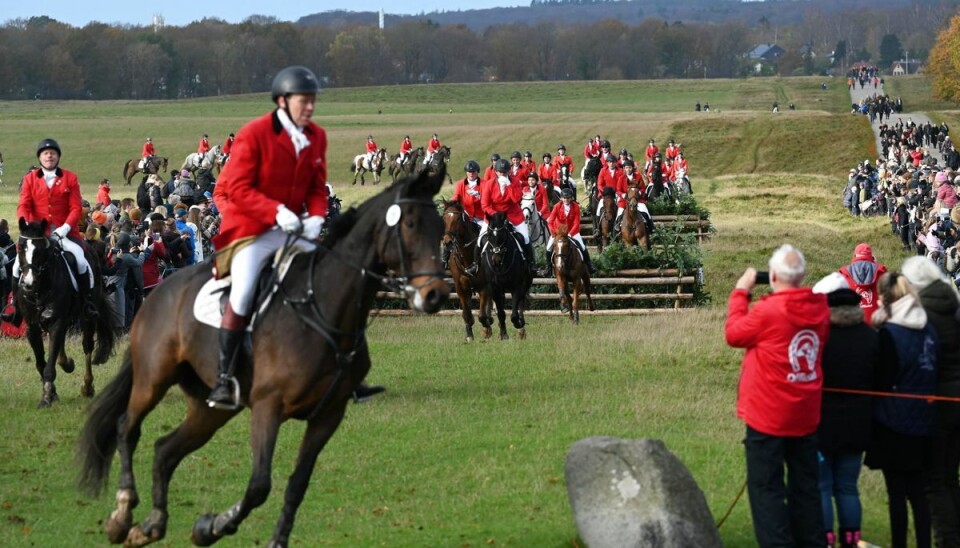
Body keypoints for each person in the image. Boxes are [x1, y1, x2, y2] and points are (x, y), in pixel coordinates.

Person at [208, 65, 329, 410]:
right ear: (282, 100)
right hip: (254, 230)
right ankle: (223, 378)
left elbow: (317, 188)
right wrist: (276, 212)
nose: (309, 108)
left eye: (312, 101)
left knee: (331, 277)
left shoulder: (316, 135)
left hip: (294, 229)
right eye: (303, 101)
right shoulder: (254, 134)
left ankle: (341, 367)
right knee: (244, 291)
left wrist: (317, 218)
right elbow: (238, 189)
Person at [724, 244, 830, 548]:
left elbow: (733, 334)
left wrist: (740, 292)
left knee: (767, 489)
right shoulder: (819, 308)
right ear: (802, 276)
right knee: (806, 489)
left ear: (772, 275)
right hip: (806, 413)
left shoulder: (768, 311)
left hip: (767, 416)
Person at [864, 271, 938, 548]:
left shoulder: (889, 334)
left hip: (894, 422)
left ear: (887, 298)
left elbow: (882, 379)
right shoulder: (928, 330)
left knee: (896, 492)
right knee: (919, 493)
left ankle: (899, 543)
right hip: (925, 420)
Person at [811, 273, 879, 548]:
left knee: (824, 486)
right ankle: (850, 540)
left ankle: (826, 540)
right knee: (848, 486)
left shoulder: (817, 338)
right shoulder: (870, 337)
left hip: (822, 423)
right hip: (858, 422)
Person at [3, 138, 99, 325]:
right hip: (37, 233)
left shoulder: (70, 178)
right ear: (40, 157)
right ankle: (16, 308)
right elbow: (23, 204)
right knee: (16, 266)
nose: (49, 156)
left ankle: (87, 303)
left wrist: (65, 228)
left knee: (80, 258)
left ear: (58, 157)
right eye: (46, 153)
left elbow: (75, 208)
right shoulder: (30, 179)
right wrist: (27, 224)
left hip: (64, 232)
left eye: (53, 153)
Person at [901, 256, 960, 547]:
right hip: (958, 399)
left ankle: (947, 540)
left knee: (935, 480)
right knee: (950, 477)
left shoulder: (922, 314)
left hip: (937, 402)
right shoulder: (954, 306)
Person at [480, 158, 537, 275]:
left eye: (505, 172)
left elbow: (516, 199)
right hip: (494, 216)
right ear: (496, 172)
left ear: (509, 172)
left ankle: (531, 264)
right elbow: (485, 204)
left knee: (525, 238)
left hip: (513, 215)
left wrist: (509, 186)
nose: (502, 175)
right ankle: (476, 265)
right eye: (500, 172)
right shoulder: (489, 184)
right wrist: (495, 215)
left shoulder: (515, 182)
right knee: (480, 240)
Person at [445, 160, 485, 275]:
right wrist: (450, 203)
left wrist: (479, 196)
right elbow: (455, 196)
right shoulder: (461, 184)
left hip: (480, 217)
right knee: (451, 232)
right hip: (466, 217)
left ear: (477, 172)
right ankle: (445, 258)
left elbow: (487, 199)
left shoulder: (484, 184)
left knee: (485, 237)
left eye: (473, 171)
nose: (471, 173)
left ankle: (484, 260)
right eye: (469, 172)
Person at [546, 187, 593, 274]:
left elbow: (576, 223)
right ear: (561, 198)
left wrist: (570, 234)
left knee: (582, 246)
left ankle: (589, 265)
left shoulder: (575, 207)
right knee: (548, 248)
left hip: (572, 231)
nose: (566, 200)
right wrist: (554, 233)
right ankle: (549, 268)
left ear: (571, 198)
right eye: (564, 198)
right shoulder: (557, 206)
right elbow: (550, 222)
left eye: (568, 198)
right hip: (558, 232)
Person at [838, 243, 887, 325]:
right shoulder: (881, 271)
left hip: (852, 323)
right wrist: (875, 264)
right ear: (871, 257)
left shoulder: (843, 273)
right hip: (877, 322)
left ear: (855, 256)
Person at [595, 153, 626, 220]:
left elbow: (622, 183)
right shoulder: (603, 171)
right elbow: (599, 184)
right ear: (607, 163)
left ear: (615, 163)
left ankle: (619, 222)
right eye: (609, 162)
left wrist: (619, 192)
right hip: (606, 194)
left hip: (617, 193)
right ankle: (597, 227)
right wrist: (604, 192)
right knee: (599, 207)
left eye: (613, 162)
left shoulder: (620, 171)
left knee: (621, 207)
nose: (611, 164)